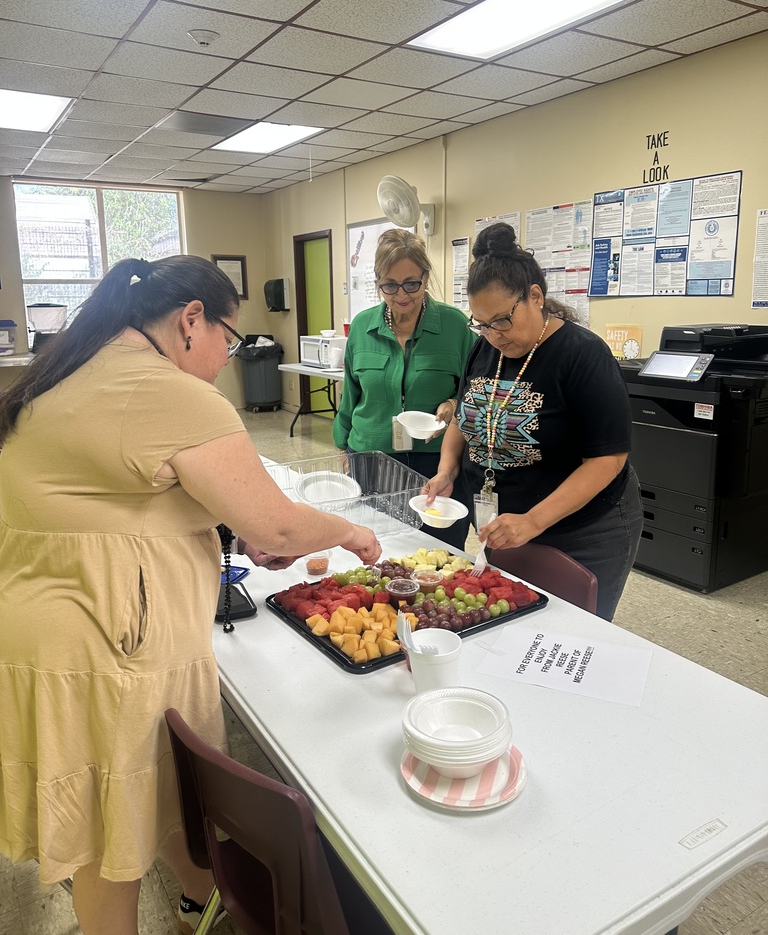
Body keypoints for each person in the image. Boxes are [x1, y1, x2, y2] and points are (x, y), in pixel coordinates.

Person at [0, 255, 381, 935]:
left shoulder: (70, 372)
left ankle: (196, 892)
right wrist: (349, 531)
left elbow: (125, 491)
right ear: (190, 321)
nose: (224, 363)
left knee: (156, 790)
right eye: (227, 345)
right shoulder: (164, 390)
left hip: (48, 624)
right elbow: (281, 522)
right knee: (106, 840)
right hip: (100, 647)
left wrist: (225, 527)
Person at [423, 223, 642, 621]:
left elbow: (607, 460)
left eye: (502, 320)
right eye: (481, 323)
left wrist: (533, 521)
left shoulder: (582, 355)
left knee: (572, 632)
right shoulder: (485, 349)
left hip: (582, 530)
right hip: (507, 525)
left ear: (535, 297)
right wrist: (445, 470)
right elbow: (464, 414)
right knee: (514, 622)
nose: (493, 335)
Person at [333, 228, 476, 549]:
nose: (402, 295)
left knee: (439, 551)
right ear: (378, 281)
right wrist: (343, 448)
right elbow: (351, 395)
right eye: (390, 285)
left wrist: (454, 402)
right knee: (376, 548)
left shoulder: (455, 326)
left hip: (437, 464)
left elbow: (478, 390)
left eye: (412, 283)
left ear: (426, 277)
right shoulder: (362, 326)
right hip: (371, 456)